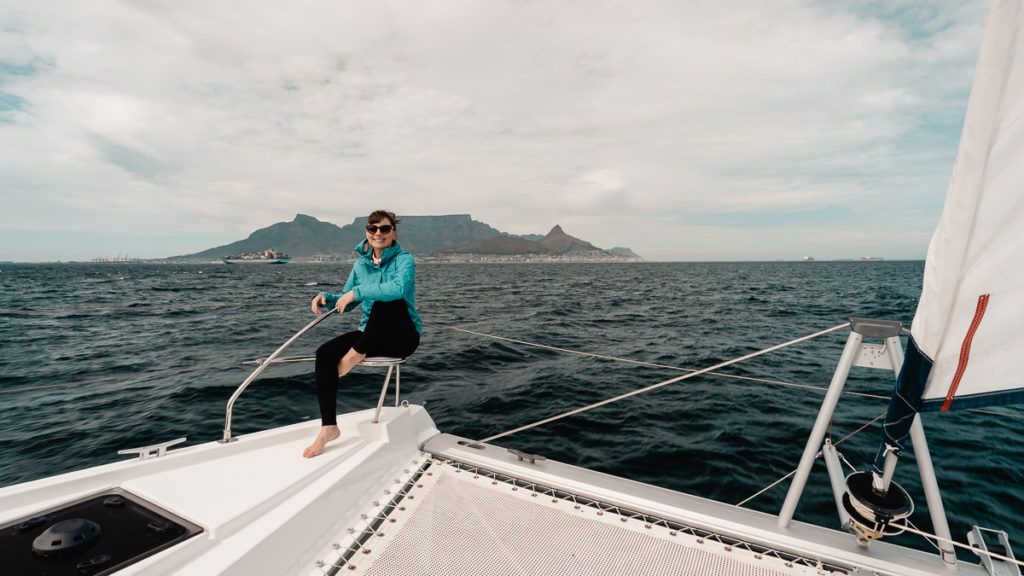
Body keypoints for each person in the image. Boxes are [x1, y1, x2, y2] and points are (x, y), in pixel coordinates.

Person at [303, 210, 422, 458]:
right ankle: (329, 428)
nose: (378, 233)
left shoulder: (404, 260)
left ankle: (355, 354)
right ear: (366, 232)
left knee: (387, 300)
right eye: (372, 228)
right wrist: (326, 298)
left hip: (402, 336)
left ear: (393, 233)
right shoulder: (361, 265)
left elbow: (398, 289)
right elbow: (348, 300)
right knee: (324, 353)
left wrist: (357, 293)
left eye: (385, 228)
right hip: (372, 334)